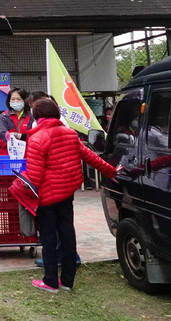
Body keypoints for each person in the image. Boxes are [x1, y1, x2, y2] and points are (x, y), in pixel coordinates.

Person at [25, 97, 118, 293]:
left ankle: (50, 281)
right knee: (67, 233)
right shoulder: (70, 134)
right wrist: (111, 171)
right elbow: (90, 156)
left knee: (49, 236)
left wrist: (20, 184)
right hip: (67, 193)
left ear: (37, 116)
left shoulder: (36, 138)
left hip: (47, 197)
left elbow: (34, 175)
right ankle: (67, 281)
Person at [0, 88, 32, 156]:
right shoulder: (4, 116)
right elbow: (1, 135)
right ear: (9, 101)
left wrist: (16, 135)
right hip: (7, 154)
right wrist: (21, 138)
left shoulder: (31, 116)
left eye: (19, 99)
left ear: (25, 100)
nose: (15, 101)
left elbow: (33, 137)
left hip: (27, 155)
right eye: (13, 99)